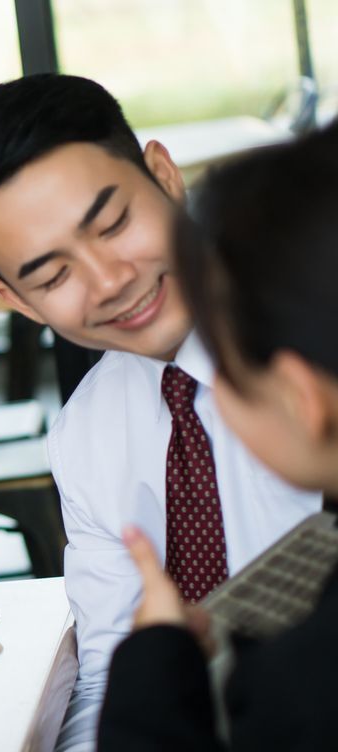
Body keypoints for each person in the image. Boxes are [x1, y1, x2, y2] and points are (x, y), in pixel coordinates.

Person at [0, 74, 321, 749]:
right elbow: (109, 667)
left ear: (166, 177)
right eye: (53, 277)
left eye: (113, 224)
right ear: (20, 302)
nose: (111, 281)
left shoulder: (312, 325)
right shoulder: (86, 433)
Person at [98, 122, 338, 750]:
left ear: (300, 396)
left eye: (221, 369)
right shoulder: (87, 428)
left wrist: (153, 669)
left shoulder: (301, 688)